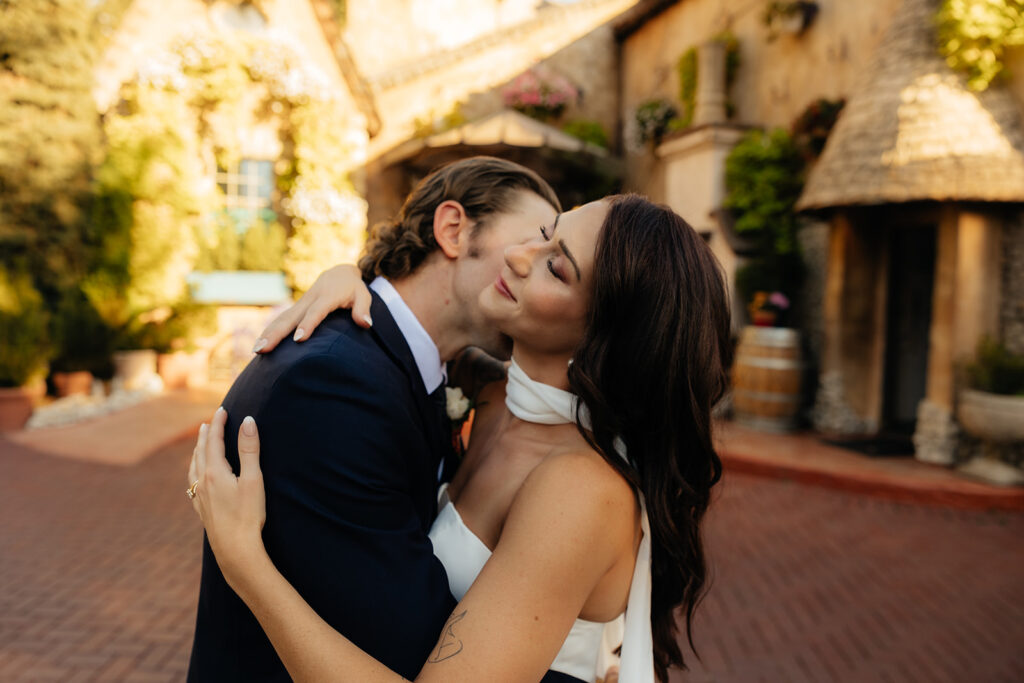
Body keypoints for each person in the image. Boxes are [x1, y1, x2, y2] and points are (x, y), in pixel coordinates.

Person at [188, 194, 732, 682]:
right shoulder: (490, 393)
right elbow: (409, 328)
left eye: (556, 268)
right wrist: (349, 278)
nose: (518, 256)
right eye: (545, 234)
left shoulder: (580, 491)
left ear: (606, 341)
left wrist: (247, 568)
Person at [186, 156, 561, 682]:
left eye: (556, 262)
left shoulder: (436, 367)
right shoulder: (335, 385)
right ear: (453, 229)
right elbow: (415, 651)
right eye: (534, 239)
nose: (534, 266)